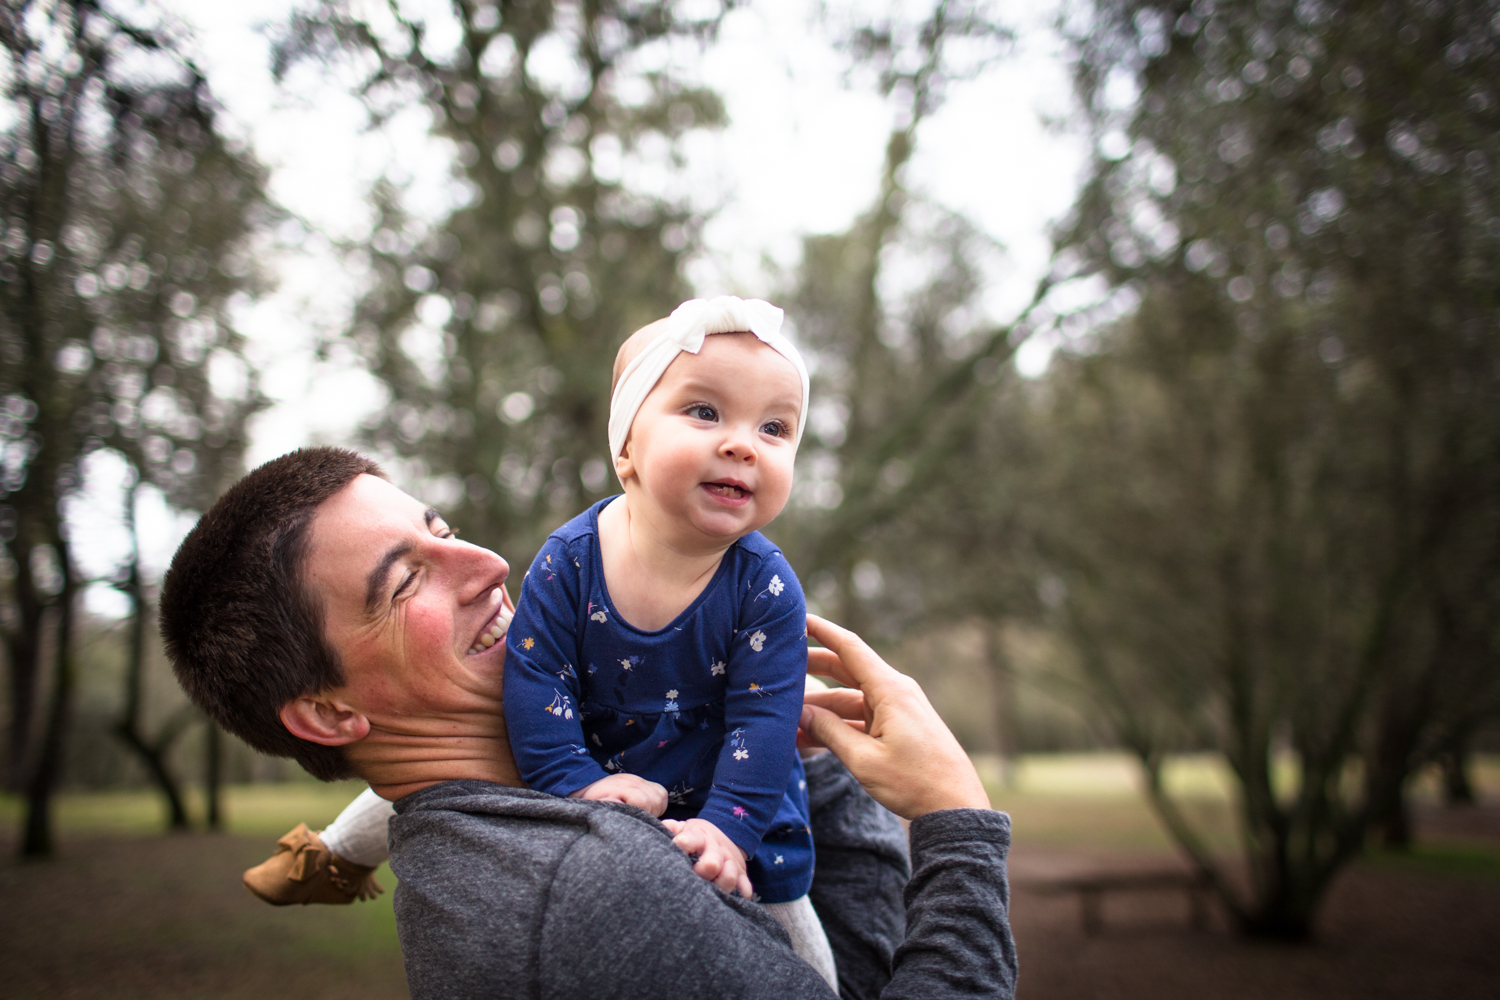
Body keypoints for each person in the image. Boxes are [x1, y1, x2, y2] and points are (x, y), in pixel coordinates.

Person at [160, 448, 1018, 999]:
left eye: (444, 528)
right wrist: (954, 820)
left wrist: (762, 728)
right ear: (329, 711)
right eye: (405, 581)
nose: (491, 563)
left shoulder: (474, 843)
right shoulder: (593, 888)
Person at [500, 295, 829, 975]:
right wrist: (573, 781)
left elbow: (766, 718)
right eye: (705, 412)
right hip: (608, 791)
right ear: (627, 449)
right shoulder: (570, 562)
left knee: (802, 954)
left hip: (737, 799)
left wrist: (729, 829)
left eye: (775, 427)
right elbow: (536, 679)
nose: (742, 442)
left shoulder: (764, 586)